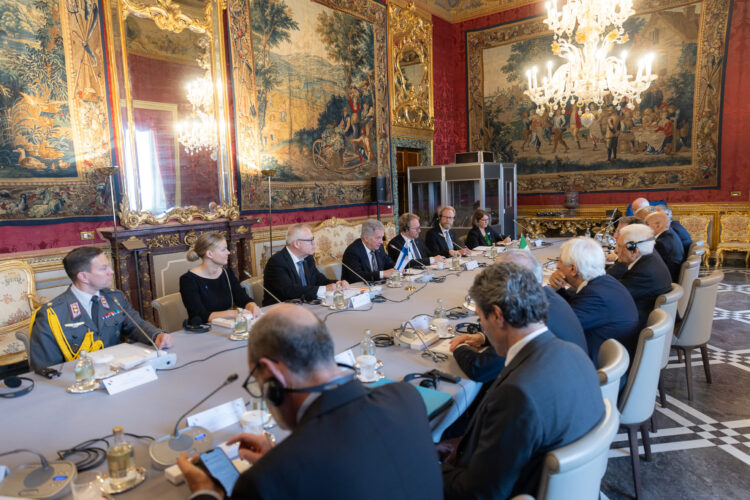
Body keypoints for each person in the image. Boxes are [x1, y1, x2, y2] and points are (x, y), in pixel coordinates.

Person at [178, 304, 442, 499]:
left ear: (271, 373)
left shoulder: (264, 482)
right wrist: (281, 460)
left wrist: (206, 493)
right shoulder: (406, 397)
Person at [440, 263, 604, 499]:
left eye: (480, 318)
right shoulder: (574, 353)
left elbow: (478, 493)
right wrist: (465, 444)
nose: (482, 327)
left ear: (497, 315)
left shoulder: (517, 394)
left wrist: (426, 467)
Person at [449, 249, 586, 383]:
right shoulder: (546, 297)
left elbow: (481, 369)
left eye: (496, 278)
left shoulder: (530, 315)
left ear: (515, 281)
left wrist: (459, 348)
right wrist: (483, 338)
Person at [29, 247, 173, 372]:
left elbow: (136, 325)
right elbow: (46, 368)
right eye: (103, 268)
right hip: (80, 381)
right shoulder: (52, 314)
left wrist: (156, 335)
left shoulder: (115, 298)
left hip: (116, 374)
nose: (111, 272)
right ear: (83, 276)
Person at [548, 237, 639, 364]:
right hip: (610, 358)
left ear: (573, 269)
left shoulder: (595, 296)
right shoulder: (604, 282)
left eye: (560, 261)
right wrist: (559, 289)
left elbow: (558, 328)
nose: (557, 266)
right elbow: (573, 309)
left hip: (598, 369)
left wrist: (548, 292)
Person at [179, 232, 261, 324]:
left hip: (228, 326)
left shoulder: (227, 273)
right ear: (210, 254)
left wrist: (252, 305)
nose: (229, 252)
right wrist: (232, 313)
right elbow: (199, 315)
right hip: (203, 331)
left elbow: (243, 299)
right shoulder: (188, 280)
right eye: (224, 249)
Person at [607, 224, 673, 332]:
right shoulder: (649, 258)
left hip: (637, 329)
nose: (616, 251)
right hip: (642, 317)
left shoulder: (644, 273)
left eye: (619, 246)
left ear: (634, 250)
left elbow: (613, 296)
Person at [262, 224, 348, 306]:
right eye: (310, 240)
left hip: (305, 306)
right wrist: (325, 289)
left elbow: (318, 279)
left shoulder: (308, 258)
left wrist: (337, 284)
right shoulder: (277, 262)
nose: (314, 243)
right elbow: (290, 291)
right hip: (280, 312)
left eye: (313, 239)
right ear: (296, 243)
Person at [341, 218, 396, 283]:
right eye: (378, 238)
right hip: (357, 289)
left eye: (382, 237)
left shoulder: (379, 248)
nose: (381, 242)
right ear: (366, 238)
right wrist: (382, 274)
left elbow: (388, 263)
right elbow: (357, 277)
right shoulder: (353, 251)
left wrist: (397, 268)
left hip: (377, 287)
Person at [645, 211, 685, 282]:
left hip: (666, 281)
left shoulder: (660, 243)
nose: (644, 227)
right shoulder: (670, 235)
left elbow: (652, 268)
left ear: (658, 225)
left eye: (647, 224)